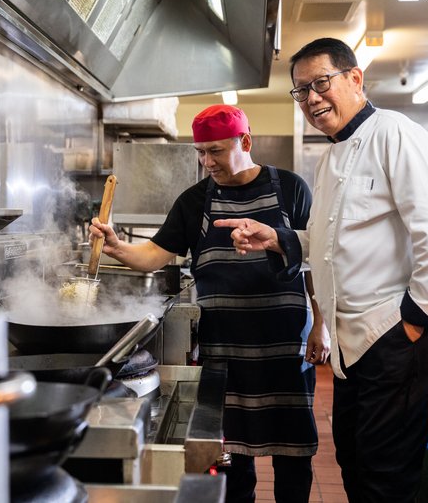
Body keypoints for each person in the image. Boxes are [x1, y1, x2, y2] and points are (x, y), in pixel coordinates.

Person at [214, 38, 428, 502]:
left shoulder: (396, 134)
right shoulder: (330, 158)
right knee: (355, 459)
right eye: (301, 90)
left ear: (354, 78)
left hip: (394, 338)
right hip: (353, 347)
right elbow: (326, 243)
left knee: (385, 476)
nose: (311, 98)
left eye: (321, 83)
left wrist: (414, 324)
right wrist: (276, 237)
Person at [89, 104, 330, 503]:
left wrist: (321, 324)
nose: (206, 162)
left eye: (216, 151)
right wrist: (117, 247)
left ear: (245, 142)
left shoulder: (290, 187)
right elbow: (154, 254)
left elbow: (314, 261)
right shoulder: (195, 200)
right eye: (201, 152)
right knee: (231, 454)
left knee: (294, 453)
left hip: (285, 345)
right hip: (225, 347)